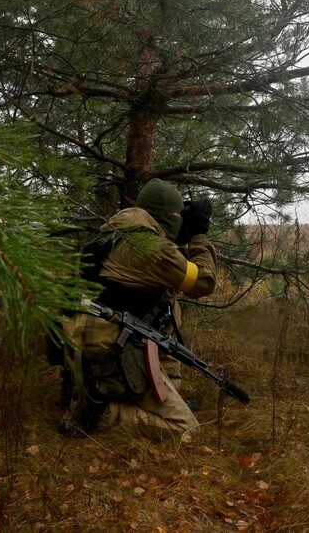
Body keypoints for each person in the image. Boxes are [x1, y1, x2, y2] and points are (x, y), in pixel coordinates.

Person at [60, 178, 216, 440]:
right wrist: (199, 234)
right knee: (185, 429)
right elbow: (203, 282)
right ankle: (101, 413)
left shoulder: (111, 233)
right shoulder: (154, 249)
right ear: (166, 216)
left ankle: (93, 394)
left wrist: (177, 239)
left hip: (84, 351)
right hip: (112, 355)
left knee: (164, 305)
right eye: (178, 214)